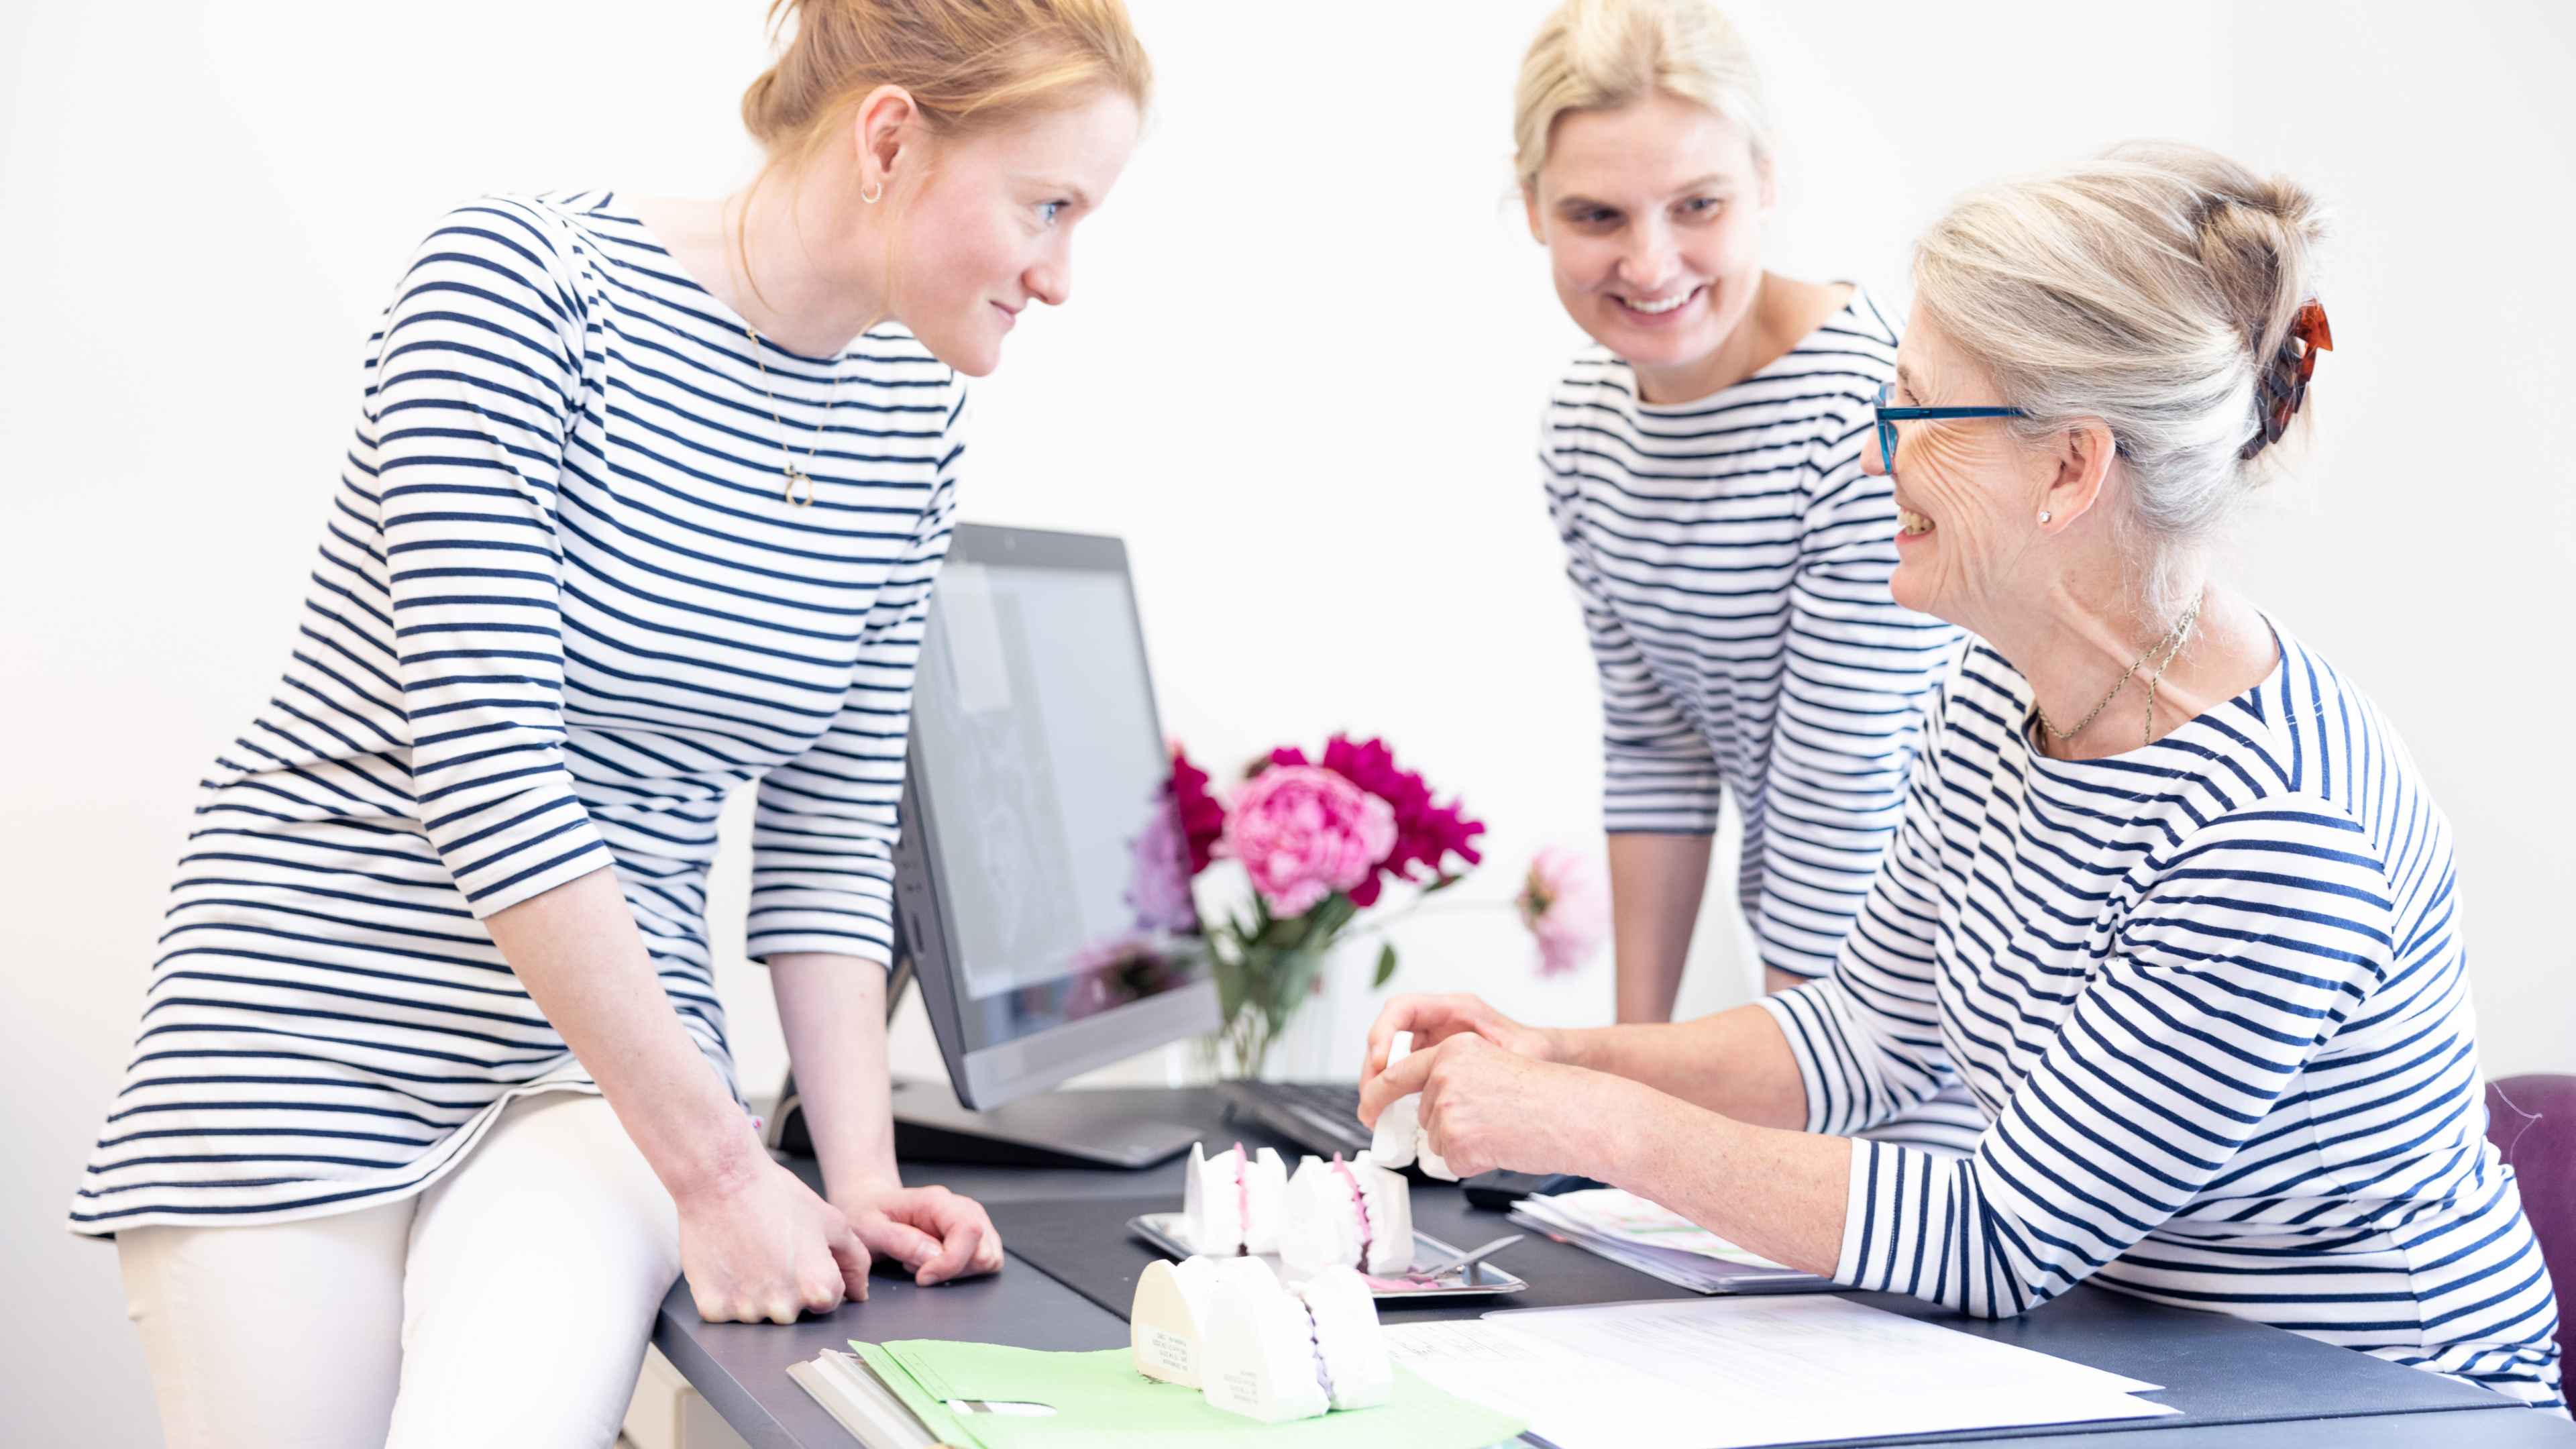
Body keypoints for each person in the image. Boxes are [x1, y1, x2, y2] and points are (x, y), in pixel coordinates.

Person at [70, 2, 1148, 1444]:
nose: (1062, 275)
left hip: (606, 1076)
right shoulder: (522, 284)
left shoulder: (911, 417)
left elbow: (830, 827)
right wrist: (719, 1176)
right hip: (304, 1027)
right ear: (889, 138)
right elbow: (491, 768)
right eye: (1047, 206)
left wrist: (858, 1170)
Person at [1366, 141, 2565, 1411]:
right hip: (2138, 1360)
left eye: (1919, 415)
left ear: (2069, 468)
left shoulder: (2280, 826)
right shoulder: (2000, 691)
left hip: (2376, 1403)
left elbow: (1999, 1234)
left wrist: (1589, 1129)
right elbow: (1866, 1038)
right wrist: (1557, 1058)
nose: (1877, 457)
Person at [1516, 0, 1979, 1152]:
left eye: (1698, 206)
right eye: (1596, 214)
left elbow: (1845, 795)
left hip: (1933, 1048)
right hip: (1807, 1037)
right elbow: (1658, 745)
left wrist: (1768, 1145)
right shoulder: (1585, 423)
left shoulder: (1868, 417)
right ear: (1533, 209)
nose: (1649, 262)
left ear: (1767, 183)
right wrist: (1617, 1095)